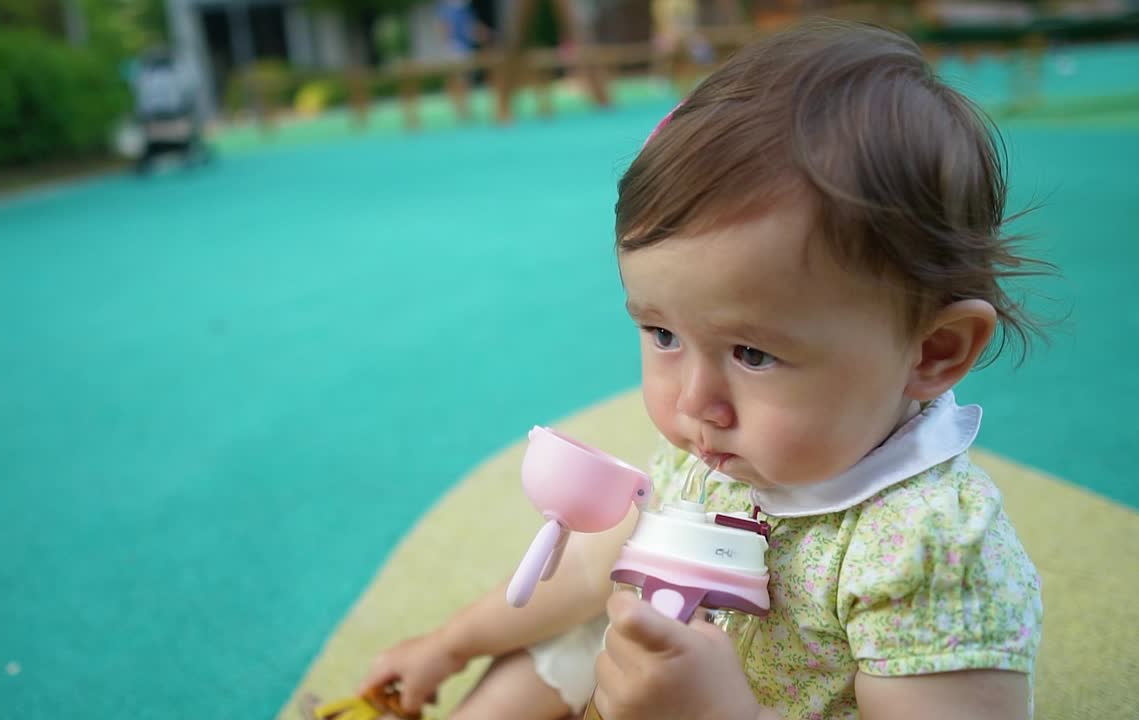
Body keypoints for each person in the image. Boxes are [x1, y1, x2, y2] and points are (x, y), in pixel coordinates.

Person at [360, 20, 1047, 720]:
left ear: (933, 351)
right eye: (661, 333)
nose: (694, 402)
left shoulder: (928, 552)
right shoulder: (717, 455)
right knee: (573, 640)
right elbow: (589, 571)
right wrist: (448, 645)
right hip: (672, 680)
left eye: (753, 353)